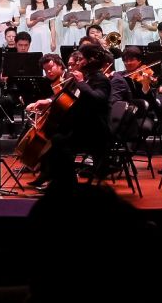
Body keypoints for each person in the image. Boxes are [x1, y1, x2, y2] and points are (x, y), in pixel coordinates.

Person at [27, 40, 113, 192]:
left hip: (95, 130)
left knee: (59, 141)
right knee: (53, 135)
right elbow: (63, 95)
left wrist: (82, 83)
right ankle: (54, 177)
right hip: (80, 127)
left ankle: (66, 183)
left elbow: (99, 99)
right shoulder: (83, 77)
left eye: (82, 59)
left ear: (91, 60)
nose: (79, 62)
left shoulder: (100, 79)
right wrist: (48, 102)